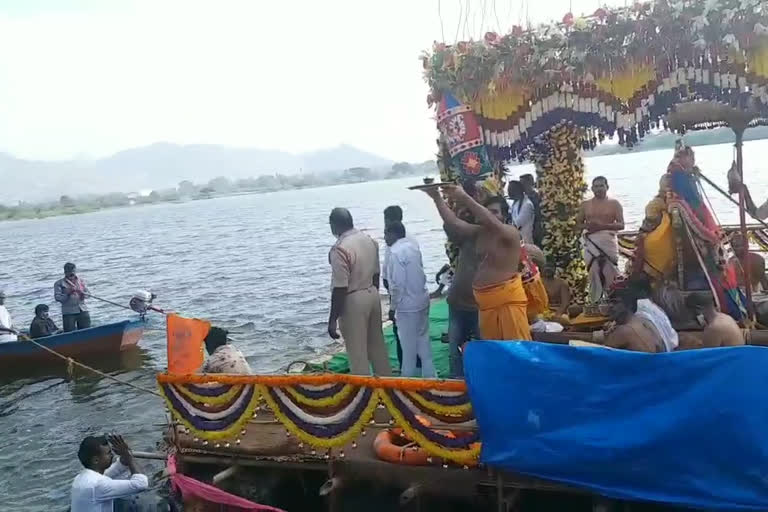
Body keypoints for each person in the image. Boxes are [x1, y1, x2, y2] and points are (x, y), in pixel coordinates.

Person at [423, 184, 531, 342]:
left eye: (494, 212)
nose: (489, 215)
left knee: (515, 351)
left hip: (507, 305)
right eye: (488, 211)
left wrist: (464, 197)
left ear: (504, 216)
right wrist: (436, 198)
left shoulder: (510, 233)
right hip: (485, 305)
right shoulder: (479, 233)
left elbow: (490, 221)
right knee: (492, 351)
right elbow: (453, 222)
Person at [327, 208, 391, 376]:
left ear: (334, 225)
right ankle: (388, 388)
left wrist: (332, 319)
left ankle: (364, 394)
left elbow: (340, 287)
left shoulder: (339, 249)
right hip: (372, 293)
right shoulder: (368, 240)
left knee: (357, 354)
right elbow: (376, 274)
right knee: (378, 347)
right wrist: (373, 295)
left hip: (353, 299)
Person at [384, 221, 435, 378]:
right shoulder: (413, 247)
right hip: (422, 300)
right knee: (424, 345)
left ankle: (406, 386)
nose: (384, 238)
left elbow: (397, 285)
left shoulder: (395, 252)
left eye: (386, 234)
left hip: (407, 307)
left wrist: (392, 308)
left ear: (393, 234)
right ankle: (432, 381)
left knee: (408, 351)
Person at [381, 205, 420, 371]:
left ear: (389, 220)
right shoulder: (410, 239)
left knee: (401, 330)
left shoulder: (397, 243)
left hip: (402, 293)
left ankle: (407, 365)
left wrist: (393, 305)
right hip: (412, 290)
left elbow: (396, 279)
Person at [576, 176, 625, 304]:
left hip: (608, 242)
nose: (598, 189)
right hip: (591, 242)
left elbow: (621, 225)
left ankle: (614, 301)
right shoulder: (585, 205)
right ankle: (595, 303)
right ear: (592, 189)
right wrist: (589, 226)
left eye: (601, 186)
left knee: (610, 273)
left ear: (607, 187)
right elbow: (577, 224)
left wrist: (602, 226)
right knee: (593, 271)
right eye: (596, 186)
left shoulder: (615, 204)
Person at [70, 435, 149, 512]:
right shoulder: (98, 485)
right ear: (96, 460)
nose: (112, 455)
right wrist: (128, 456)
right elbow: (141, 483)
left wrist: (125, 455)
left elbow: (116, 469)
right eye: (108, 453)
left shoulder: (80, 478)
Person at [603, 288, 663, 353]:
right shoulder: (641, 322)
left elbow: (602, 353)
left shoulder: (624, 330)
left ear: (629, 305)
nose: (610, 306)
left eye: (615, 302)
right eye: (609, 302)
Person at [55, 262, 91, 332]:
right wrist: (68, 293)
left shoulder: (81, 281)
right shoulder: (59, 283)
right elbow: (58, 298)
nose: (72, 273)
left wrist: (83, 294)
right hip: (69, 312)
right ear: (65, 272)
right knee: (70, 332)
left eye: (73, 271)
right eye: (69, 271)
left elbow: (88, 294)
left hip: (82, 309)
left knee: (87, 330)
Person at [507, 180, 535, 244]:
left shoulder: (527, 205)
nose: (508, 193)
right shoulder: (516, 203)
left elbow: (516, 225)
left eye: (510, 190)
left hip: (526, 243)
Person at [520, 173, 543, 246]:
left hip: (537, 228)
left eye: (523, 183)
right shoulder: (521, 199)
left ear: (530, 183)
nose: (522, 186)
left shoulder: (538, 197)